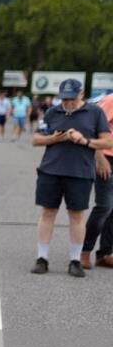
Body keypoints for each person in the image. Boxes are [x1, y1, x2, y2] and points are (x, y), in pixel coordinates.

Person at [31, 79, 113, 277]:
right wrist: (54, 138)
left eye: (72, 98)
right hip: (51, 170)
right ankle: (42, 258)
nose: (68, 102)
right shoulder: (53, 112)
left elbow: (108, 141)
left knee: (76, 216)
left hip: (80, 172)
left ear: (81, 94)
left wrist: (84, 141)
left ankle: (75, 260)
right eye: (65, 99)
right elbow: (35, 139)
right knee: (47, 213)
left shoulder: (95, 112)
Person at [81, 91, 113, 268]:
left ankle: (105, 253)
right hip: (107, 158)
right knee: (104, 206)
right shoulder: (110, 100)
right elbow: (95, 128)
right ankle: (84, 251)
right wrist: (99, 157)